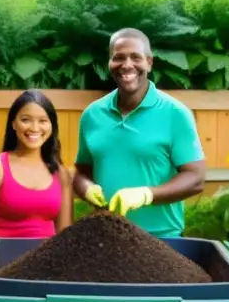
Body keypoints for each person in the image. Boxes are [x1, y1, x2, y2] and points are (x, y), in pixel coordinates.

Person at [72, 28, 206, 238]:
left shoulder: (175, 114)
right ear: (109, 63)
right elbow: (81, 171)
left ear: (149, 63)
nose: (127, 65)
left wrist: (146, 195)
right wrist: (87, 188)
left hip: (161, 239)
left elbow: (196, 178)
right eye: (118, 58)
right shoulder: (92, 115)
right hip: (105, 236)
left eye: (136, 57)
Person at [0, 89, 73, 252]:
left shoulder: (60, 174)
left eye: (43, 121)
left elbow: (65, 234)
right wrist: (1, 255)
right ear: (13, 123)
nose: (35, 128)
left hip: (48, 268)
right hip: (5, 267)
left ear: (51, 126)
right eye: (26, 120)